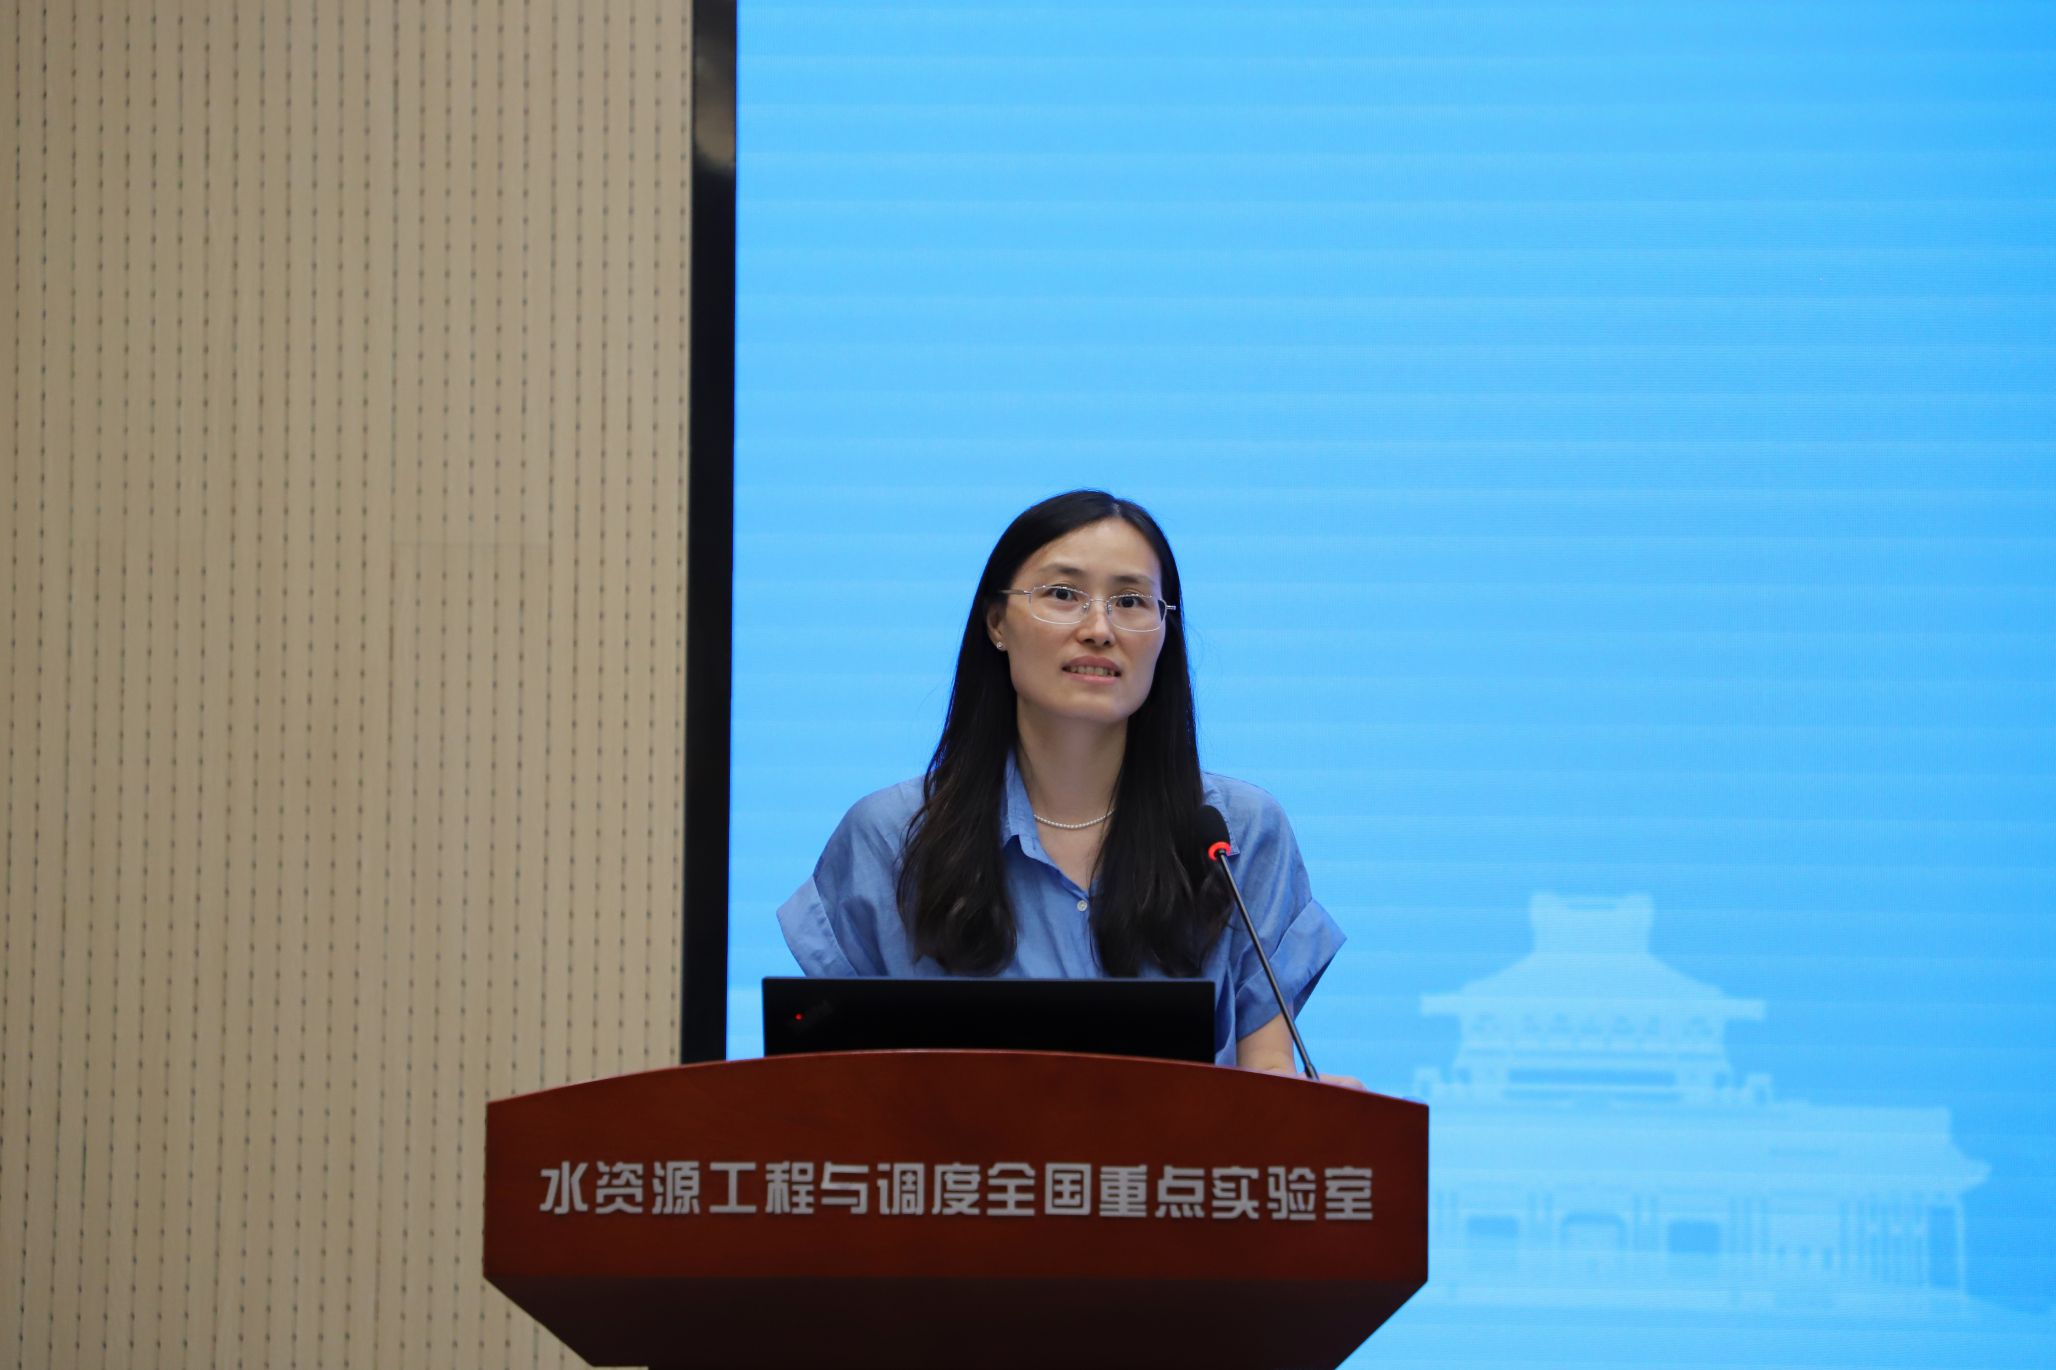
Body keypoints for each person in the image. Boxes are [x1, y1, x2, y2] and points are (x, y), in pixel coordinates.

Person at [776, 489, 1355, 1082]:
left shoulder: (1234, 834)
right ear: (996, 623)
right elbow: (832, 1096)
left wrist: (1323, 1114)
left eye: (1130, 601)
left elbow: (1270, 1081)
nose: (1099, 629)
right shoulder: (891, 838)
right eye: (1063, 594)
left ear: (1164, 633)